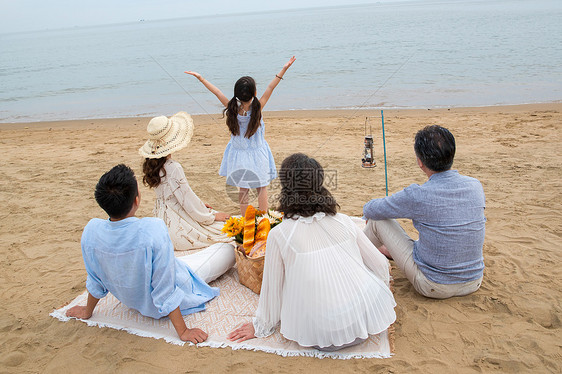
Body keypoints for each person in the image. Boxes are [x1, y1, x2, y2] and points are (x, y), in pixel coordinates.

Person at [227, 153, 396, 351]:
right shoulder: (344, 221)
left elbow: (272, 289)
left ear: (285, 188)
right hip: (365, 321)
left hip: (318, 333)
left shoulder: (280, 234)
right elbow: (380, 265)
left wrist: (261, 325)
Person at [65, 164, 235, 343]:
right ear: (136, 200)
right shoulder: (152, 229)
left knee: (190, 259)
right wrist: (183, 331)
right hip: (166, 297)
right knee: (227, 249)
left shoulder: (92, 230)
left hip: (132, 300)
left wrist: (87, 310)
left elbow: (95, 278)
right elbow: (165, 286)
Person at [363, 125, 486, 299]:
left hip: (434, 285)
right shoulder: (475, 186)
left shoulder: (418, 194)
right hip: (474, 280)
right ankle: (388, 250)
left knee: (377, 220)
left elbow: (370, 209)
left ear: (420, 162)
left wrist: (371, 215)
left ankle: (349, 260)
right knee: (441, 228)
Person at [185, 56, 296, 215]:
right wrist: (284, 68)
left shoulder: (232, 108)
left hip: (238, 156)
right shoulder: (258, 107)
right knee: (261, 187)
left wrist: (201, 78)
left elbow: (216, 91)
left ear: (236, 94)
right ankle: (263, 218)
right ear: (255, 93)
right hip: (258, 154)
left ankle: (246, 220)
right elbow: (271, 87)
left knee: (243, 190)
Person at [139, 112, 233, 250]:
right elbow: (187, 199)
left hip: (161, 219)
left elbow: (177, 196)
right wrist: (211, 216)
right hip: (177, 224)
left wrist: (200, 204)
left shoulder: (152, 166)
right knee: (227, 229)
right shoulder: (173, 167)